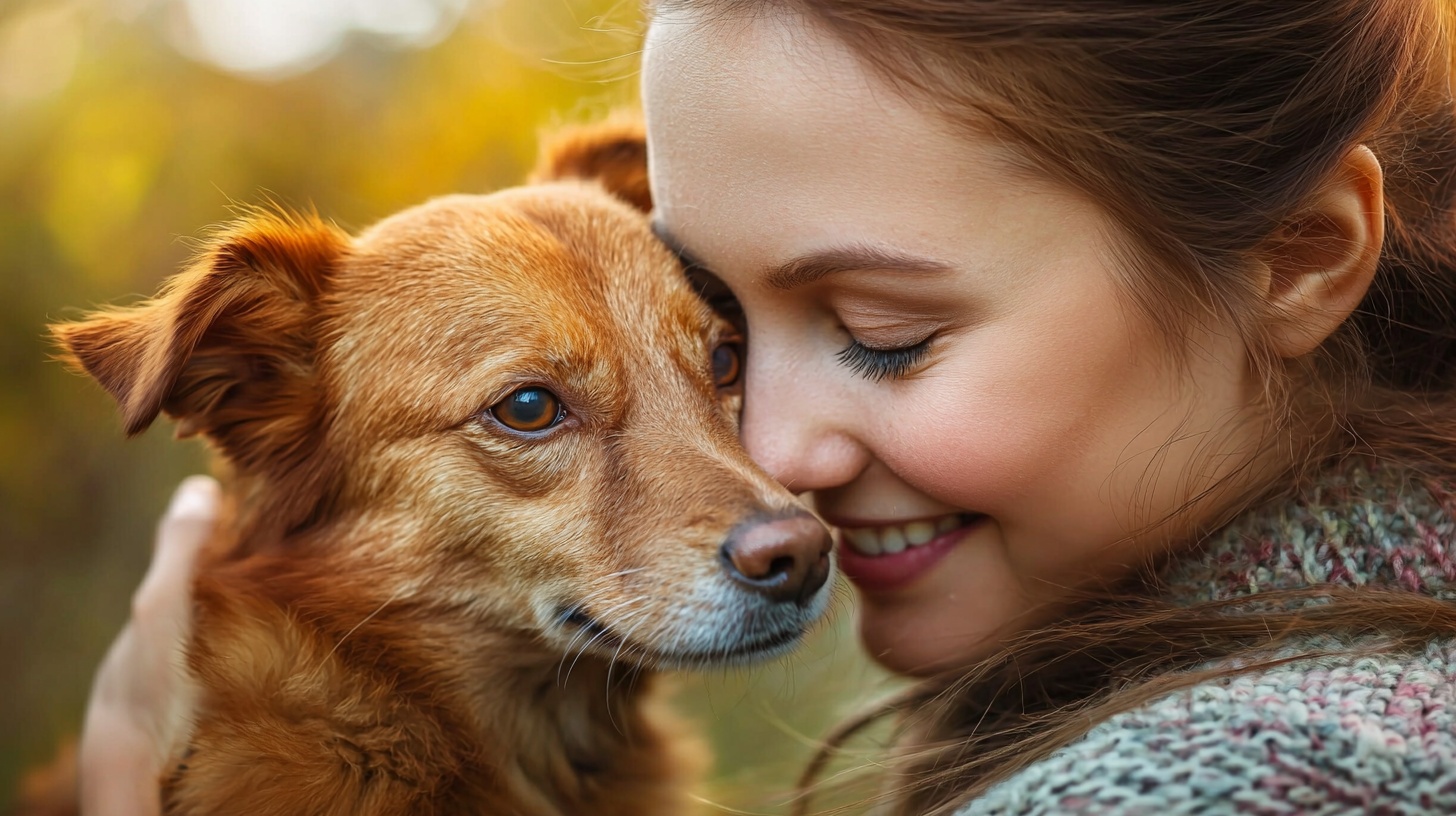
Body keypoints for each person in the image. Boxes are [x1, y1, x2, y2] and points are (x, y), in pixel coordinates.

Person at [79, 0, 1456, 813]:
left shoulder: (1229, 775)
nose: (776, 472)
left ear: (1302, 257)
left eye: (882, 333)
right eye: (745, 327)